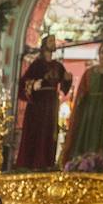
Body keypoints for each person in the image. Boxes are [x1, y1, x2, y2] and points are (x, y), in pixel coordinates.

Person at [61, 40, 103, 164]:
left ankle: (101, 160)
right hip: (89, 109)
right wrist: (81, 99)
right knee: (87, 132)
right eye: (102, 52)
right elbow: (82, 90)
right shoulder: (89, 72)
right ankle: (84, 160)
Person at [16, 35, 73, 170]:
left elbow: (64, 86)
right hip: (38, 104)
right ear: (44, 45)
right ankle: (32, 163)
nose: (53, 43)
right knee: (36, 131)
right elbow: (24, 83)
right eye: (50, 41)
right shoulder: (37, 64)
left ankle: (46, 162)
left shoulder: (58, 66)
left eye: (54, 41)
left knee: (49, 131)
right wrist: (33, 84)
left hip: (52, 102)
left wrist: (67, 79)